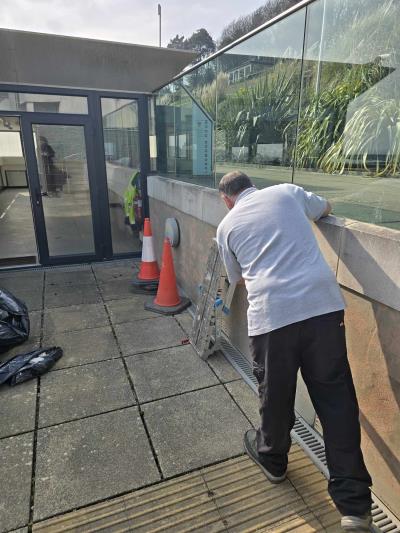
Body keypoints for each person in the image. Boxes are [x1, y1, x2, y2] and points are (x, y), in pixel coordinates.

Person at [216, 171, 373, 532]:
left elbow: (236, 276)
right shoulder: (286, 192)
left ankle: (273, 460)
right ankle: (354, 508)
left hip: (272, 319)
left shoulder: (227, 226)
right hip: (321, 307)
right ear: (252, 186)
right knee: (336, 401)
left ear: (227, 198)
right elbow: (325, 208)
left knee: (276, 394)